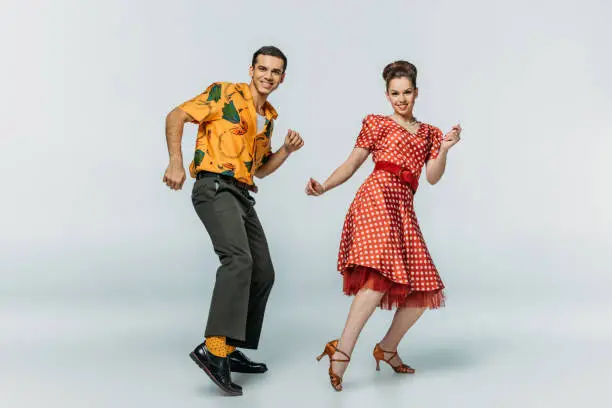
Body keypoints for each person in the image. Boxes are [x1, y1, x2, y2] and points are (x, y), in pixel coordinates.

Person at [306, 60, 461, 391]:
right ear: (387, 94)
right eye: (395, 93)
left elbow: (432, 177)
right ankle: (342, 351)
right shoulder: (377, 123)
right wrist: (324, 185)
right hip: (376, 200)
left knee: (424, 289)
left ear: (416, 92)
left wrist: (445, 149)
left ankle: (387, 348)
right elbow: (352, 163)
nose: (401, 99)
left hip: (403, 207)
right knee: (376, 280)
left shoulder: (431, 133)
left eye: (407, 93)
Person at [163, 46, 304, 396]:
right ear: (251, 69)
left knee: (263, 270)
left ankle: (228, 345)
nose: (268, 76)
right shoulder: (224, 92)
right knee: (238, 260)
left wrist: (285, 151)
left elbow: (260, 169)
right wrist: (176, 163)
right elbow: (175, 116)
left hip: (241, 192)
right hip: (212, 185)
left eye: (275, 72)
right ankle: (213, 349)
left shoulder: (268, 116)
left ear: (282, 78)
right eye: (263, 69)